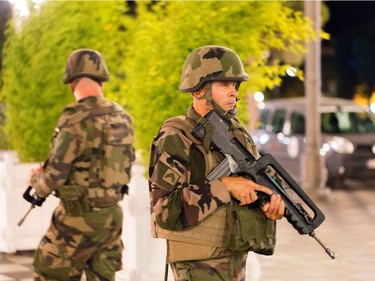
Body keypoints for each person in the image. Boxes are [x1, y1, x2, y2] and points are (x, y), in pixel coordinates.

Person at [148, 45, 285, 281]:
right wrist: (225, 187)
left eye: (235, 85)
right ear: (199, 89)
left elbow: (253, 188)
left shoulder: (238, 135)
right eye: (224, 84)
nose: (234, 92)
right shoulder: (177, 136)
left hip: (235, 262)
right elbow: (163, 211)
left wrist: (268, 202)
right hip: (198, 266)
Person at [28, 48, 135, 281]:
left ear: (71, 82)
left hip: (78, 218)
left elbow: (54, 177)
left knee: (49, 274)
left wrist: (36, 179)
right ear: (102, 81)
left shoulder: (74, 119)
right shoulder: (123, 117)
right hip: (112, 216)